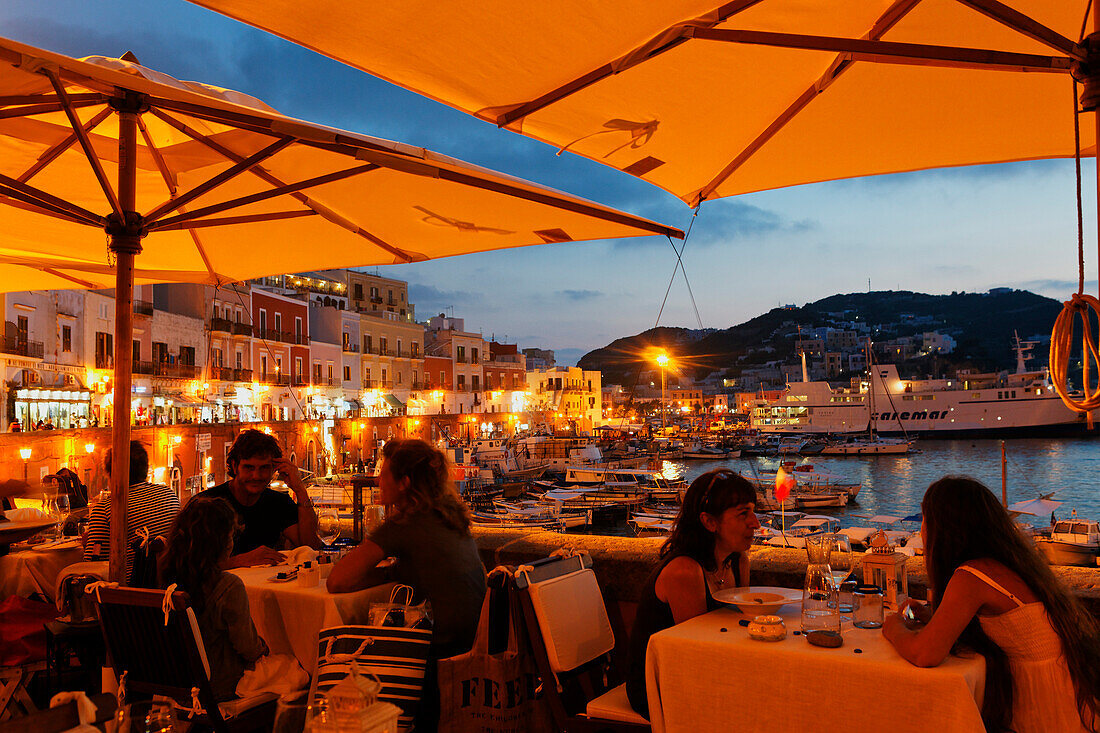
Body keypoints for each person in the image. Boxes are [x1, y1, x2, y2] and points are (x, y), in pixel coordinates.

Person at [883, 476, 1100, 731]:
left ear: (944, 526)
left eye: (925, 518)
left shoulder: (972, 575)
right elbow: (1008, 628)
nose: (922, 528)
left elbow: (925, 654)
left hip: (1044, 707)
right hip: (1069, 692)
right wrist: (933, 618)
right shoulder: (1009, 565)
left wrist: (894, 626)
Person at [327, 439, 487, 729]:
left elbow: (337, 581)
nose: (377, 479)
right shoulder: (449, 516)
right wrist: (392, 573)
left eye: (383, 473)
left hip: (435, 653)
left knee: (347, 663)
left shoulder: (404, 525)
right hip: (472, 642)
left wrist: (386, 572)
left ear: (404, 483)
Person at [625, 469, 759, 718]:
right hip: (659, 687)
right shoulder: (685, 572)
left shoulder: (738, 562)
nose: (756, 523)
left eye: (753, 511)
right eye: (743, 514)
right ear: (709, 522)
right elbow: (695, 655)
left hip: (709, 671)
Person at [159, 496, 269, 700]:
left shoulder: (166, 579)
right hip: (221, 687)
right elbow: (248, 649)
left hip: (174, 684)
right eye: (230, 535)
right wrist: (264, 646)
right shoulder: (227, 586)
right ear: (220, 542)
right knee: (296, 674)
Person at [197, 429, 320, 568]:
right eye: (249, 467)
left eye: (264, 468)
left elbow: (310, 547)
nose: (256, 475)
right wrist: (240, 561)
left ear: (275, 469)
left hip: (268, 587)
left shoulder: (278, 503)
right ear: (234, 466)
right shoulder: (206, 504)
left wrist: (300, 489)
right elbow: (186, 564)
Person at [83, 441, 179, 581]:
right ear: (146, 468)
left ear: (111, 472)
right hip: (171, 586)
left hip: (131, 592)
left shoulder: (106, 508)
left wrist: (87, 545)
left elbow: (93, 564)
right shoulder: (169, 494)